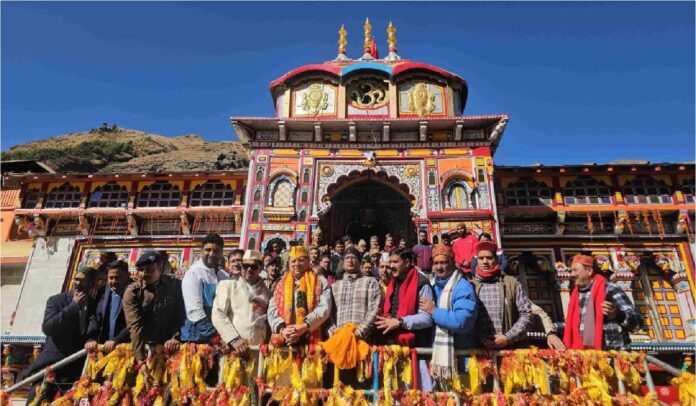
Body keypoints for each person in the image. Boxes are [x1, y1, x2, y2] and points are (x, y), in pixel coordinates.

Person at [24, 266, 97, 405]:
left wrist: (91, 339)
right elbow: (48, 328)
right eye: (76, 279)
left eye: (83, 281)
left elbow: (94, 327)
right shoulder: (57, 301)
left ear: (92, 284)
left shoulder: (94, 305)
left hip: (75, 371)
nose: (78, 284)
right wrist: (73, 306)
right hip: (51, 367)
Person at [418, 245, 477, 388]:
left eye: (443, 262)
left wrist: (434, 311)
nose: (439, 267)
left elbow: (462, 321)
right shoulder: (432, 285)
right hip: (437, 357)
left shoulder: (462, 287)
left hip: (459, 358)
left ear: (452, 263)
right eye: (436, 263)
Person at [375, 247, 435, 389]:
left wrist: (399, 322)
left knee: (421, 395)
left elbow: (427, 318)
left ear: (407, 262)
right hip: (395, 349)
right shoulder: (393, 283)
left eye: (395, 262)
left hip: (417, 350)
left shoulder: (421, 282)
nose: (391, 266)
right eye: (390, 262)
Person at [325, 246, 381, 385]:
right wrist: (335, 335)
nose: (350, 261)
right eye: (347, 258)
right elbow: (329, 315)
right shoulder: (334, 286)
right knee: (340, 389)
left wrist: (358, 334)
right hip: (339, 345)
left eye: (354, 258)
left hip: (362, 342)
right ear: (342, 262)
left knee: (362, 388)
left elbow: (374, 309)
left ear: (360, 262)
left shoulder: (370, 282)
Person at [563, 255, 641, 350]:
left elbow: (637, 324)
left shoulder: (610, 290)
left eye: (575, 270)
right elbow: (575, 327)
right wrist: (550, 329)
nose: (571, 274)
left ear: (589, 271)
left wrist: (619, 314)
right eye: (571, 271)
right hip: (585, 358)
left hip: (613, 357)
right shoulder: (575, 296)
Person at [123, 251, 185, 361]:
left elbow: (182, 314)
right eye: (141, 270)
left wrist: (175, 337)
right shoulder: (133, 292)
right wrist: (140, 360)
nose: (144, 274)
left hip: (172, 347)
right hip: (145, 348)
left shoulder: (175, 286)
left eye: (149, 269)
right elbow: (135, 326)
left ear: (160, 268)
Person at [472, 241, 533, 349]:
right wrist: (480, 337)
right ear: (477, 261)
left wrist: (507, 337)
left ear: (496, 259)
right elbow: (468, 320)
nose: (485, 262)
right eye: (481, 258)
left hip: (510, 349)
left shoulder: (511, 283)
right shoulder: (471, 286)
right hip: (480, 351)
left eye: (489, 258)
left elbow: (527, 314)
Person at [267, 246, 332, 346]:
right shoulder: (280, 283)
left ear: (308, 261)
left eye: (301, 260)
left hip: (310, 336)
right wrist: (283, 330)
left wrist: (304, 326)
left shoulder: (320, 281)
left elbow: (325, 308)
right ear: (288, 263)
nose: (296, 264)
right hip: (283, 337)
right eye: (293, 261)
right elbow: (272, 310)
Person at [212, 250, 272, 356]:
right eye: (246, 266)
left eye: (253, 266)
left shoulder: (267, 293)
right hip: (233, 349)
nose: (249, 269)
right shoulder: (228, 286)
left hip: (258, 351)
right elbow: (218, 314)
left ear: (261, 267)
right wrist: (234, 339)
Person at [181, 234, 229, 343]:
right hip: (196, 339)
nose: (211, 254)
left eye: (216, 251)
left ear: (221, 253)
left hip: (216, 337)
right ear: (201, 251)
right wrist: (214, 336)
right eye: (208, 250)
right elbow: (194, 311)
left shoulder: (222, 275)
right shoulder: (194, 273)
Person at [85, 260, 131, 354]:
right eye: (111, 278)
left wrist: (117, 340)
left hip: (124, 351)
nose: (113, 281)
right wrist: (91, 338)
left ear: (127, 275)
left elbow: (134, 322)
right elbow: (94, 318)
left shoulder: (136, 293)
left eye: (117, 277)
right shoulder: (100, 293)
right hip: (101, 350)